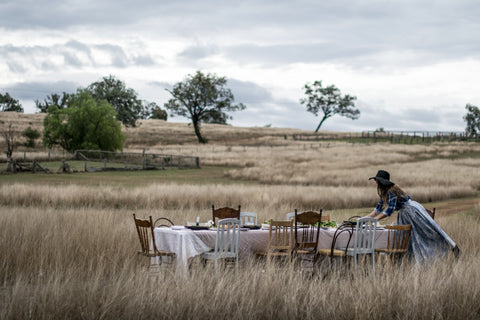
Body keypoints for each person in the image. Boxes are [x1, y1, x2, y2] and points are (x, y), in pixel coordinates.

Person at [366, 170, 460, 264]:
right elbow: (377, 210)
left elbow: (390, 210)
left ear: (382, 182)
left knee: (428, 231)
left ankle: (452, 247)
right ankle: (405, 263)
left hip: (411, 211)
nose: (376, 182)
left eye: (377, 180)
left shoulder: (391, 191)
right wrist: (364, 219)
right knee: (407, 239)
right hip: (405, 214)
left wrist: (375, 219)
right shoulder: (385, 193)